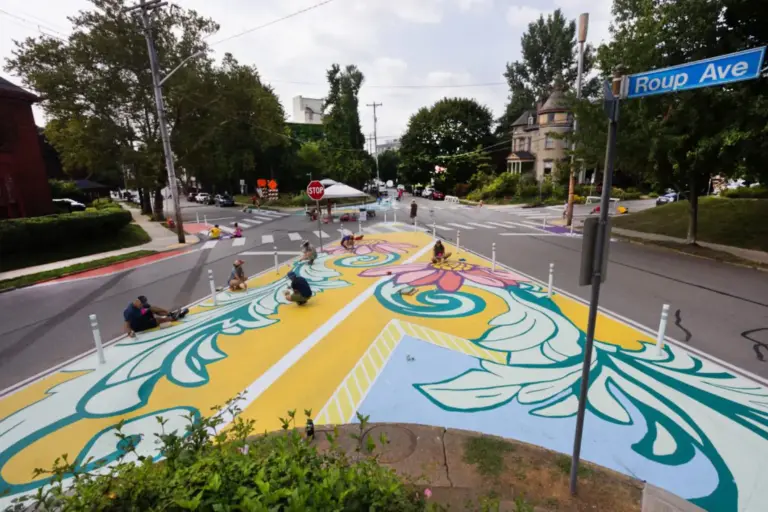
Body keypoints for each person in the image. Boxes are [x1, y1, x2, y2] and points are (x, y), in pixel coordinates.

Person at [124, 296, 188, 337]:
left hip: (141, 316)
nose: (142, 306)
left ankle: (170, 314)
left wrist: (164, 311)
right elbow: (127, 325)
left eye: (142, 304)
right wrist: (130, 333)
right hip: (139, 325)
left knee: (151, 308)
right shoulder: (130, 312)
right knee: (158, 320)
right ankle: (173, 318)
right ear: (137, 302)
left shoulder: (140, 306)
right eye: (141, 304)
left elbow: (150, 308)